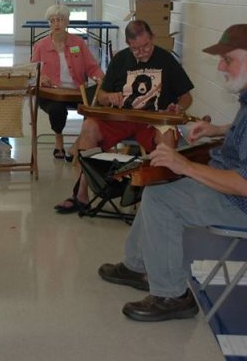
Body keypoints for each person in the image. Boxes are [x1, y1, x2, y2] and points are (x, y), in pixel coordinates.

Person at [98, 24, 247, 321]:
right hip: (228, 184)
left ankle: (172, 295)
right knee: (158, 182)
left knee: (161, 197)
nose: (219, 66)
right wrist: (218, 129)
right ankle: (137, 265)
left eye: (227, 59)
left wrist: (187, 166)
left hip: (238, 203)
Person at [55, 20, 194, 214]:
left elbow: (187, 97)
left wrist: (177, 107)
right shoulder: (120, 59)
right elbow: (102, 96)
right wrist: (109, 96)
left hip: (152, 121)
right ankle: (82, 194)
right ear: (128, 44)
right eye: (135, 49)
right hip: (122, 119)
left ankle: (161, 198)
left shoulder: (166, 60)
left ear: (152, 38)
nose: (142, 52)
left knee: (167, 136)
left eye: (146, 46)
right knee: (89, 126)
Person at [32, 4, 104, 161]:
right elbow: (32, 71)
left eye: (60, 19)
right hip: (52, 93)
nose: (56, 23)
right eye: (52, 21)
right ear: (48, 24)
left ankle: (79, 143)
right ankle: (59, 139)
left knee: (95, 105)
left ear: (67, 22)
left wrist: (102, 79)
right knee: (57, 110)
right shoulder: (40, 46)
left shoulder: (78, 43)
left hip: (77, 91)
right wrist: (40, 77)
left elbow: (92, 67)